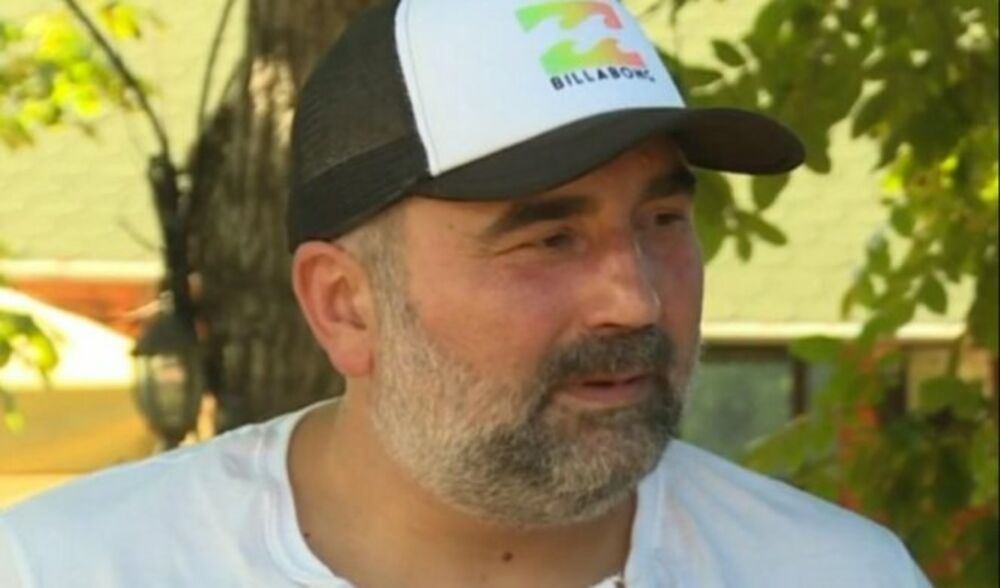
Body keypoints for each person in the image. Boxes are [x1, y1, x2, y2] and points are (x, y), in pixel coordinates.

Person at [0, 1, 931, 586]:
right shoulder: (72, 568)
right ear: (345, 304)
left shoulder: (833, 572)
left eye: (660, 221)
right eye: (549, 238)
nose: (636, 300)